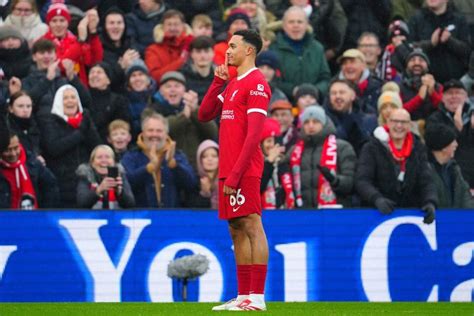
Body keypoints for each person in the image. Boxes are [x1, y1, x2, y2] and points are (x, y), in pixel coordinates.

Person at [199, 29, 270, 311]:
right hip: (228, 168)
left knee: (252, 224)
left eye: (232, 46)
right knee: (236, 228)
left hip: (245, 168)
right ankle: (243, 297)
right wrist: (218, 81)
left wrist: (238, 173)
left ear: (248, 50)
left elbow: (254, 136)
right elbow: (204, 114)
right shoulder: (232, 83)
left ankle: (257, 297)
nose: (227, 51)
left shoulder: (256, 83)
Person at [355, 108, 437, 223]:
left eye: (403, 122)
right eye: (395, 121)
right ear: (388, 123)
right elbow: (362, 180)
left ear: (409, 125)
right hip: (376, 215)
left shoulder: (418, 148)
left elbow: (426, 180)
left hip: (409, 215)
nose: (399, 126)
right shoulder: (371, 147)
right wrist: (376, 199)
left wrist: (430, 202)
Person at [38, 84, 101, 207]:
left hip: (85, 181)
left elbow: (97, 147)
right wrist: (80, 133)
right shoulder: (50, 120)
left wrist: (89, 129)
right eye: (65, 98)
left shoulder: (85, 120)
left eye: (73, 97)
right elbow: (53, 148)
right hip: (61, 182)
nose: (70, 101)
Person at [121, 112, 197, 208]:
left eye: (159, 131)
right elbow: (125, 185)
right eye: (150, 130)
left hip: (172, 217)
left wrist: (173, 164)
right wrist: (148, 168)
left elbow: (191, 184)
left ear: (166, 134)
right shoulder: (131, 156)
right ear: (143, 133)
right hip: (141, 218)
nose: (154, 134)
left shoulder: (178, 155)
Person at [287, 105, 356, 209]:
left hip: (335, 213)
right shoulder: (293, 151)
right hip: (302, 215)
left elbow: (350, 182)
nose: (310, 126)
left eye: (315, 122)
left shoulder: (341, 147)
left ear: (324, 124)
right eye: (306, 122)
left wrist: (334, 180)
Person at [149, 71, 218, 169]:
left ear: (184, 90)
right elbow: (162, 129)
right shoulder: (152, 110)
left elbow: (213, 131)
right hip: (168, 167)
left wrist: (195, 111)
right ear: (160, 91)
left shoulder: (194, 109)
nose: (173, 90)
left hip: (196, 167)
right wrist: (184, 117)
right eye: (168, 86)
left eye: (177, 86)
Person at [269, 6, 331, 100]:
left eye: (300, 22)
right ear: (284, 26)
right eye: (291, 22)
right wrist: (293, 90)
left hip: (313, 103)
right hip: (282, 103)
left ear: (306, 25)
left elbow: (325, 78)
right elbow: (271, 80)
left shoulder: (317, 48)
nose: (296, 25)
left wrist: (315, 91)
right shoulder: (273, 48)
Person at [426, 79, 474, 192]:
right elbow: (433, 142)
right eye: (449, 93)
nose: (454, 96)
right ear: (442, 97)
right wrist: (456, 128)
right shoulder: (435, 118)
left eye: (458, 93)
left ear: (466, 97)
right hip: (447, 180)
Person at [408, 0, 470, 83]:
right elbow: (409, 48)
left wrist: (449, 40)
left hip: (455, 83)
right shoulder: (415, 19)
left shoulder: (459, 19)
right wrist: (431, 44)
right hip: (425, 82)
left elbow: (467, 50)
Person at [21, 38, 91, 112]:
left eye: (50, 52)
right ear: (34, 57)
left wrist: (72, 78)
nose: (46, 56)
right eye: (42, 53)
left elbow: (86, 101)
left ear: (55, 56)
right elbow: (28, 103)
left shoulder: (64, 80)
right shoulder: (27, 81)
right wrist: (47, 80)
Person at [42, 3, 103, 86]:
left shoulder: (74, 40)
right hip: (55, 88)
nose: (58, 24)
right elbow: (61, 66)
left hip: (79, 88)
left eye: (62, 20)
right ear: (49, 23)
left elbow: (95, 61)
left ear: (68, 23)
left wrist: (93, 32)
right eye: (54, 21)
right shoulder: (42, 43)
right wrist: (80, 41)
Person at [0, 133, 59, 209]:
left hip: (33, 219)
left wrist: (45, 213)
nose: (13, 154)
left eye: (16, 148)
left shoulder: (32, 163)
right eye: (7, 150)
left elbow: (50, 186)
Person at [424, 124, 474, 208]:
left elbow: (465, 195)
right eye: (453, 141)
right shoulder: (424, 170)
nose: (456, 144)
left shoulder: (454, 168)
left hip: (456, 219)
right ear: (444, 146)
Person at [324, 79, 377, 154]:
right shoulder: (324, 121)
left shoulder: (368, 120)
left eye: (342, 92)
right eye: (333, 93)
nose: (337, 96)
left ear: (353, 96)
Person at [76, 145, 135, 209]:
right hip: (93, 217)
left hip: (115, 217)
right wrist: (99, 190)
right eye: (99, 157)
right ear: (92, 162)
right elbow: (82, 203)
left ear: (114, 162)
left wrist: (120, 193)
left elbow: (131, 205)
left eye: (108, 157)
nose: (104, 161)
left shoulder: (120, 175)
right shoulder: (85, 175)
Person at [145, 9, 194, 83]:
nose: (172, 28)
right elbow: (154, 76)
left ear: (183, 27)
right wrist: (181, 61)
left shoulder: (193, 46)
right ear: (162, 27)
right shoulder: (153, 50)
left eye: (176, 24)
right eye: (169, 24)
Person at [87, 62, 131, 142]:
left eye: (99, 72)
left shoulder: (118, 100)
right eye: (92, 72)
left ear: (108, 80)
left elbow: (122, 124)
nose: (94, 75)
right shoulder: (84, 99)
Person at [399, 48, 443, 121]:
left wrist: (432, 93)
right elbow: (397, 112)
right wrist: (419, 98)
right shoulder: (399, 87)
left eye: (421, 60)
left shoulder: (438, 87)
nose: (417, 63)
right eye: (412, 60)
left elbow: (444, 110)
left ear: (427, 66)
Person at [260, 118, 295, 209]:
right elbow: (257, 189)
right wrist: (269, 163)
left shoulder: (286, 163)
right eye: (268, 141)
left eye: (275, 141)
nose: (272, 145)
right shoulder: (255, 165)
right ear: (261, 144)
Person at [336, 48, 383, 114]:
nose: (348, 66)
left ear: (363, 65)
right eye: (345, 63)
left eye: (352, 62)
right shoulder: (333, 86)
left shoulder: (377, 87)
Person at [6, 91, 42, 161]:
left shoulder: (34, 125)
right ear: (10, 108)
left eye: (28, 106)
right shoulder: (7, 128)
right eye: (20, 106)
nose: (25, 110)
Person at [179, 36, 216, 103]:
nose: (203, 56)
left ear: (213, 53)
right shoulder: (182, 77)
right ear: (192, 54)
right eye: (198, 52)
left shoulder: (221, 77)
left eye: (206, 51)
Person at [193, 139, 219, 209]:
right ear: (199, 160)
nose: (210, 159)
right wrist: (204, 194)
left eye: (214, 156)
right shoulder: (194, 181)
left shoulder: (228, 181)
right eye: (205, 156)